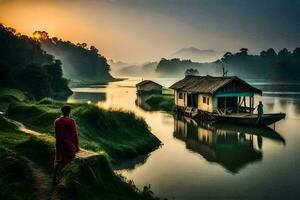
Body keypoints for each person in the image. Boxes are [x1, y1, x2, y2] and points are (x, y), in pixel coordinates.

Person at [52, 105, 79, 185]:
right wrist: (76, 146)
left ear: (62, 111)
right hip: (68, 145)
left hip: (59, 144)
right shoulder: (71, 121)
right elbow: (74, 135)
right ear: (69, 112)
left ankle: (54, 178)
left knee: (58, 160)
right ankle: (65, 180)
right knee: (69, 161)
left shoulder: (57, 121)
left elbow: (57, 134)